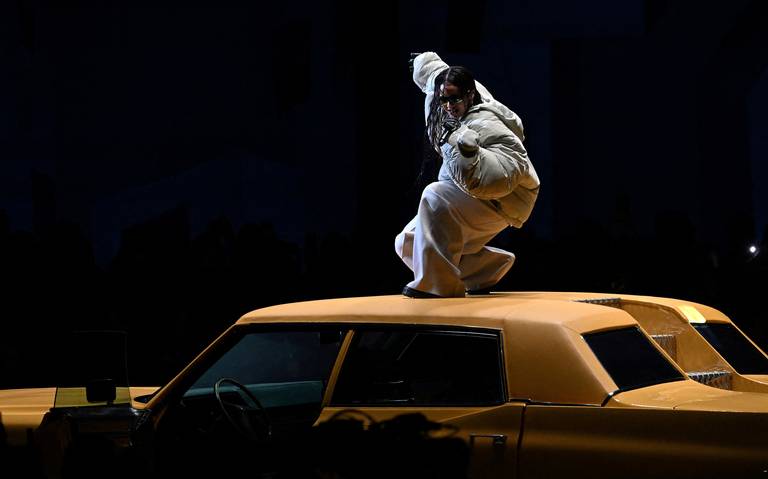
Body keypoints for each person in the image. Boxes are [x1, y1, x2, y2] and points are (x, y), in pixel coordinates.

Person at [395, 52, 540, 298]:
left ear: (470, 95)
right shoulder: (442, 99)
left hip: (500, 202)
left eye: (455, 99)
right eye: (444, 100)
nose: (449, 106)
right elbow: (434, 76)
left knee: (434, 195)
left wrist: (467, 150)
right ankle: (484, 270)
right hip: (471, 193)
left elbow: (499, 178)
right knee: (407, 240)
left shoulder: (485, 121)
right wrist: (423, 62)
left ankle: (438, 285)